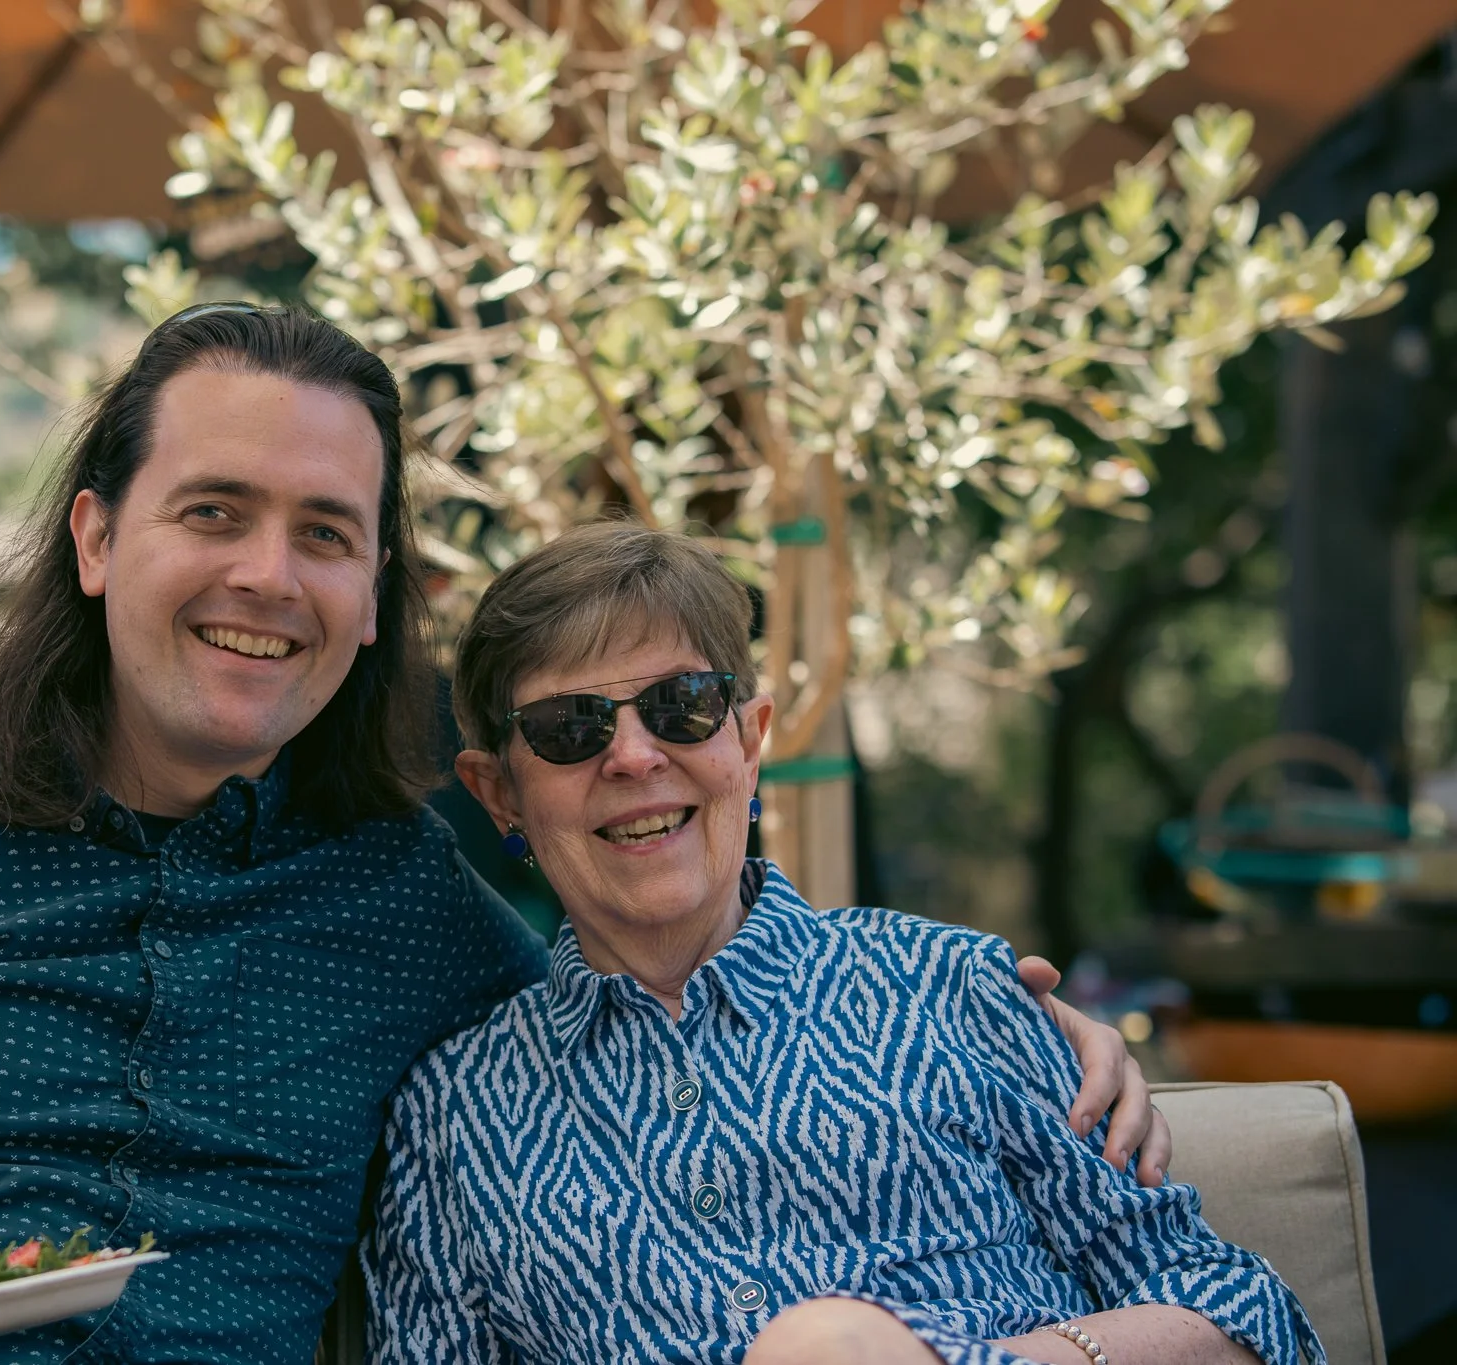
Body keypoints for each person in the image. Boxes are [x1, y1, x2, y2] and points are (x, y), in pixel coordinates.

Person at [0, 305, 1164, 1365]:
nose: (265, 577)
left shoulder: (400, 902)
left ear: (371, 601)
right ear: (93, 536)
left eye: (323, 535)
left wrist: (1003, 1015)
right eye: (211, 512)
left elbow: (653, 974)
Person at [366, 521, 1317, 1365]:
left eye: (681, 705)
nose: (635, 755)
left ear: (749, 737)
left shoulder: (950, 989)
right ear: (499, 794)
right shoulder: (453, 1121)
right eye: (570, 727)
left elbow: (1249, 1318)